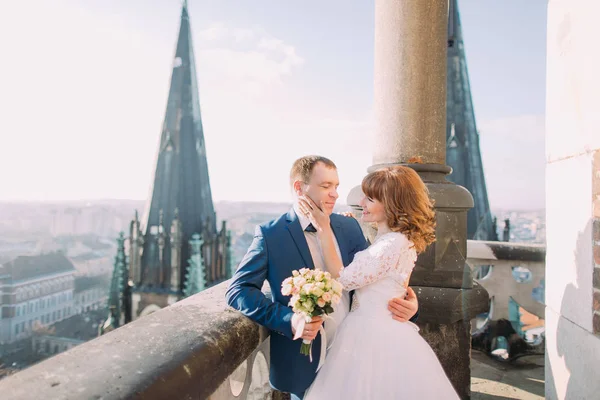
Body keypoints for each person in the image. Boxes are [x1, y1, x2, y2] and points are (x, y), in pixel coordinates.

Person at [226, 156, 420, 399]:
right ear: (300, 188)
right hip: (302, 364)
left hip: (360, 357)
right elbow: (238, 290)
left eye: (337, 186)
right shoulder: (271, 235)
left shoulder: (349, 227)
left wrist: (410, 306)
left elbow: (377, 278)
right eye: (326, 186)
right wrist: (290, 320)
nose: (335, 194)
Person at [300, 165, 459, 400]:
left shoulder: (391, 244)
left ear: (392, 204)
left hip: (371, 335)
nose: (362, 202)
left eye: (370, 198)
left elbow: (342, 279)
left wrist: (324, 229)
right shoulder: (391, 240)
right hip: (379, 328)